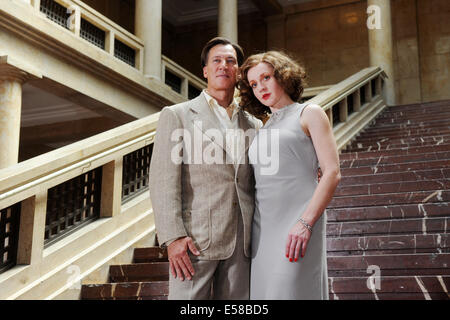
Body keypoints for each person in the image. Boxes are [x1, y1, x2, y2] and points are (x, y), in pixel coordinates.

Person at [149, 37, 261, 300]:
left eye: (231, 61)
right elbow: (163, 181)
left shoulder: (253, 123)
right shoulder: (177, 115)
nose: (224, 66)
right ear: (205, 70)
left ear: (238, 71)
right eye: (217, 61)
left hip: (242, 242)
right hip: (194, 242)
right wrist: (173, 237)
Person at [238, 51, 341, 300]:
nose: (260, 87)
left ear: (282, 76)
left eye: (266, 77)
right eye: (253, 84)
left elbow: (332, 172)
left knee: (291, 291)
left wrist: (305, 223)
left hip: (298, 222)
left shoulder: (309, 113)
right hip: (262, 230)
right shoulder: (261, 128)